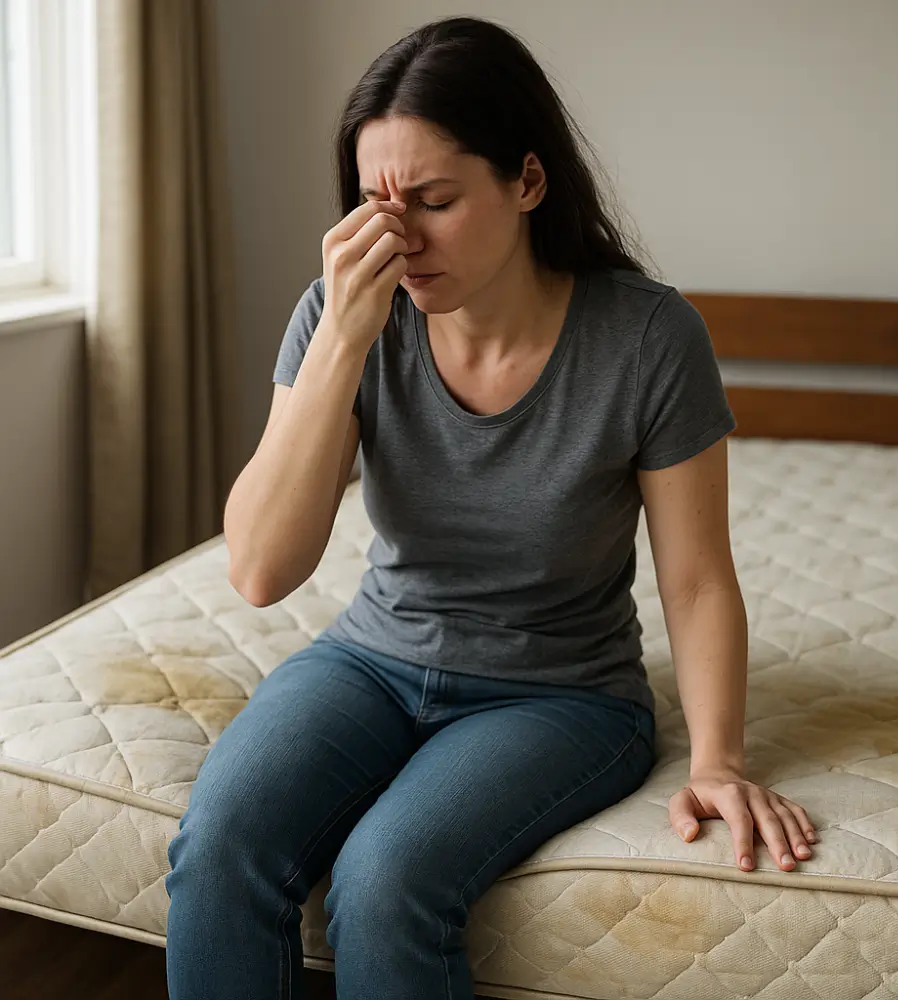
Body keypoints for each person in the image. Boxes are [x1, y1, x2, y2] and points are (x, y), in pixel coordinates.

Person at [165, 15, 818, 1000]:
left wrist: (718, 756)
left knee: (384, 879)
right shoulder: (341, 315)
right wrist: (342, 343)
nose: (400, 237)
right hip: (370, 658)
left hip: (557, 692)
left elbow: (693, 578)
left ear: (526, 182)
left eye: (433, 201)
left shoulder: (646, 336)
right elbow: (261, 569)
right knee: (217, 844)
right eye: (375, 204)